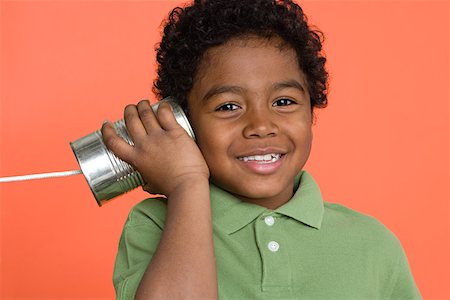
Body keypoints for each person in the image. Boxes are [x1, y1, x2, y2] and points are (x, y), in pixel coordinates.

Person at [102, 0, 421, 299]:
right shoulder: (156, 224)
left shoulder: (373, 244)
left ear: (311, 111)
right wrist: (186, 184)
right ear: (184, 124)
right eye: (228, 106)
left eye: (283, 102)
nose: (260, 125)